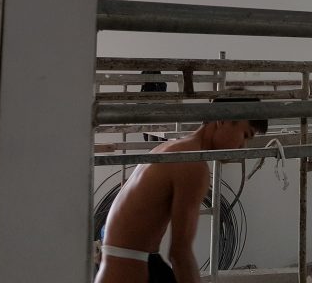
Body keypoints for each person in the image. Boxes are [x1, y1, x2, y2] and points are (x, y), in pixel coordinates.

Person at [94, 101, 267, 283]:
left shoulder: (172, 148)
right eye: (245, 135)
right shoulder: (191, 162)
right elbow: (179, 253)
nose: (243, 146)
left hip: (125, 265)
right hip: (128, 270)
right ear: (222, 120)